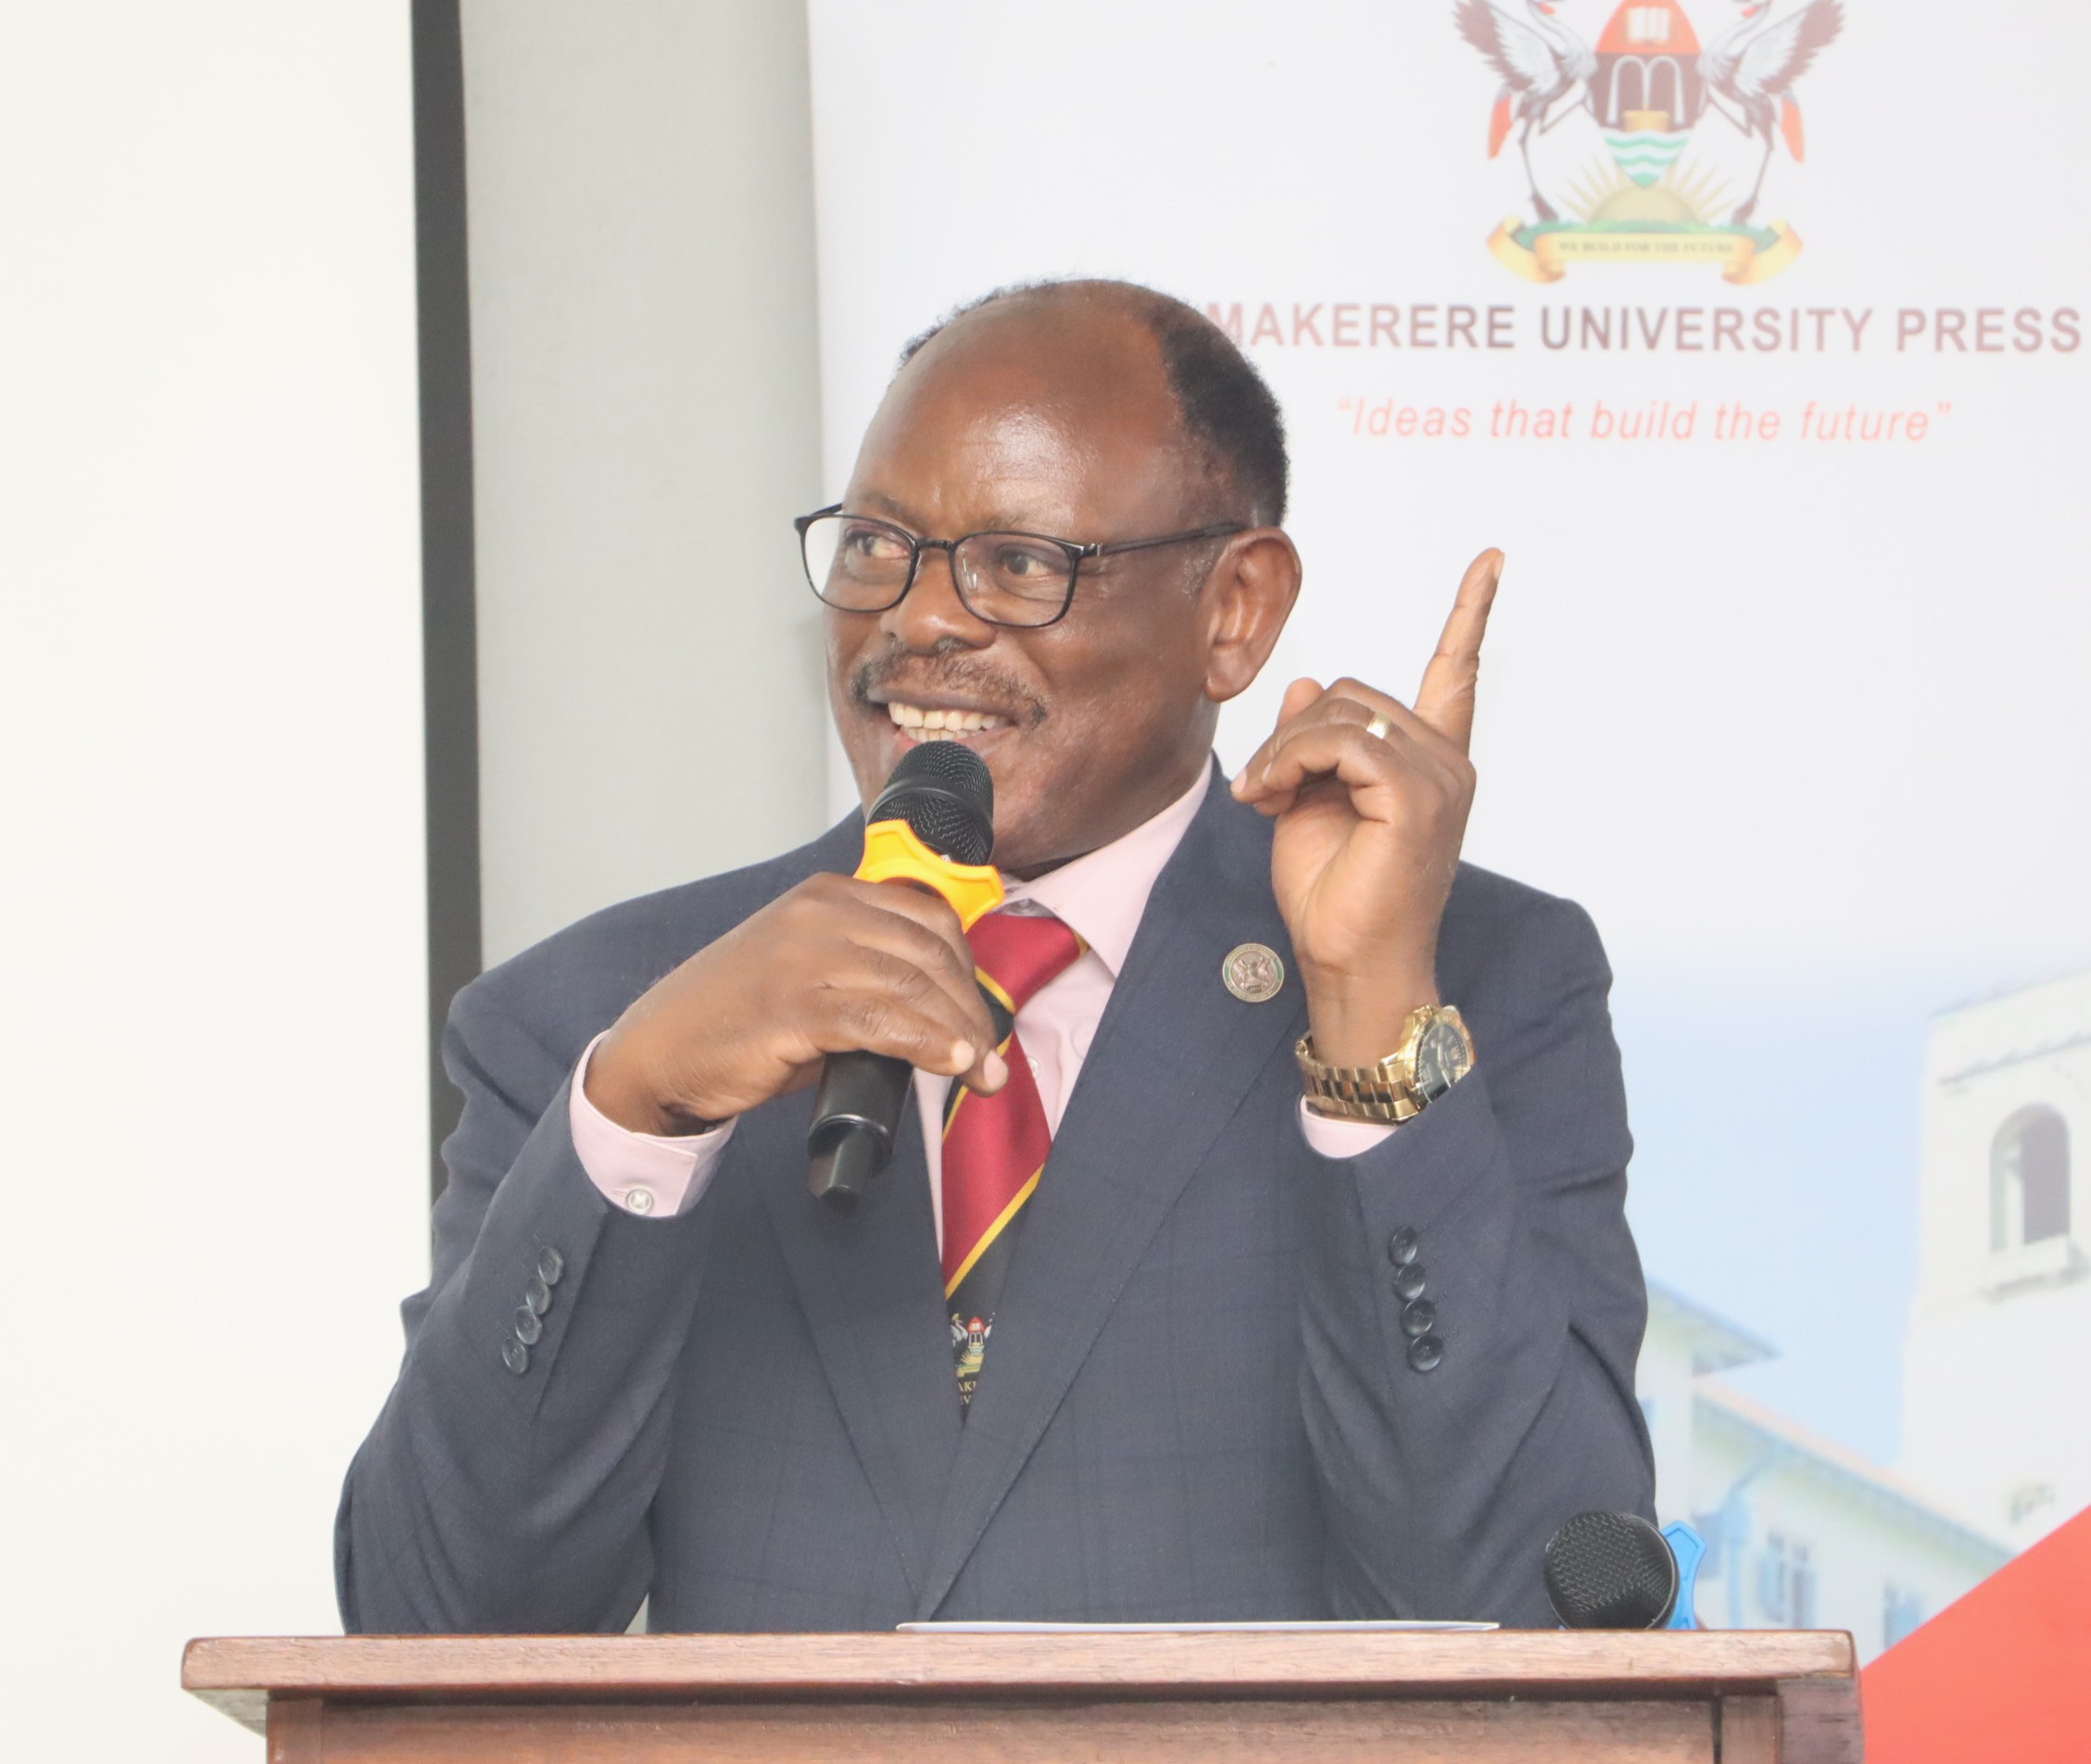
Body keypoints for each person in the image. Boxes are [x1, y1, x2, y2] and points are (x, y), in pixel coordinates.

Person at [337, 278, 1652, 1633]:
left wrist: (1370, 1019)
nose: (919, 620)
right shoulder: (596, 1023)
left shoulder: (1485, 975)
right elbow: (431, 1634)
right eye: (875, 549)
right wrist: (637, 1124)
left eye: (1018, 564)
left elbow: (1535, 1621)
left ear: (1234, 610)